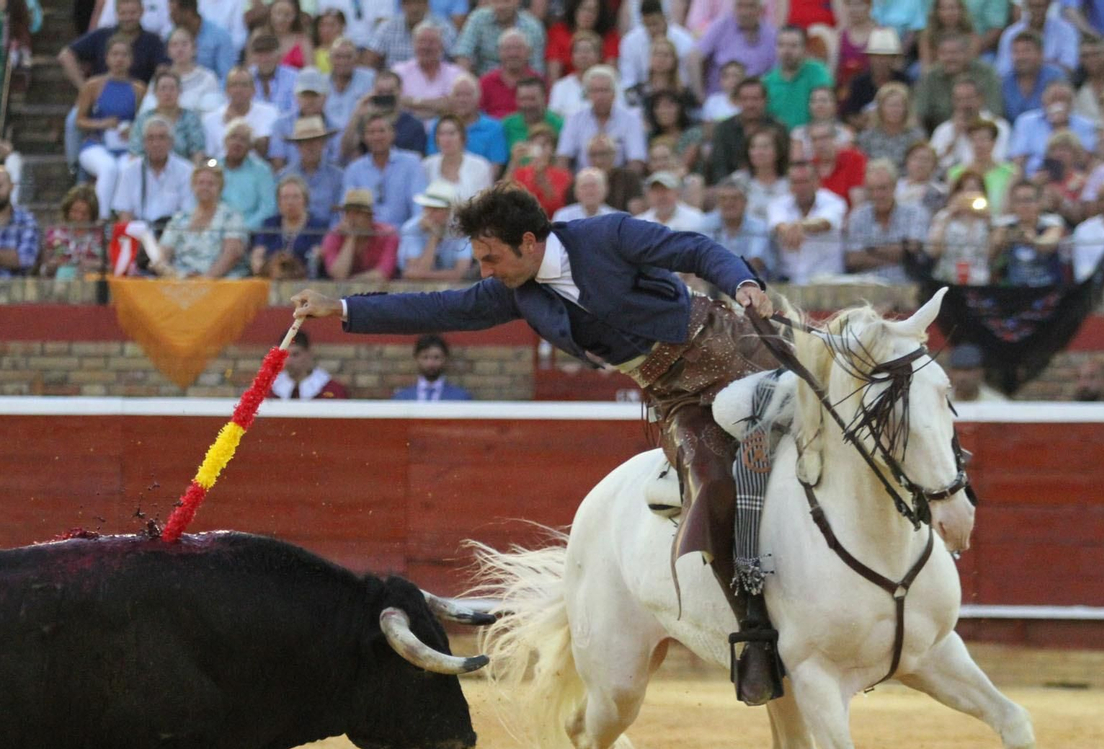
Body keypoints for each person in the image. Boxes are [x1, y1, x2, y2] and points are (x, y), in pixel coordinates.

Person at [289, 184, 787, 705]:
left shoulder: (607, 235)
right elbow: (438, 307)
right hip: (677, 395)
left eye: (490, 257)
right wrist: (339, 307)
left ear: (528, 242)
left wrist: (744, 284)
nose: (485, 270)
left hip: (733, 345)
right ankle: (753, 630)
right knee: (710, 482)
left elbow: (695, 249)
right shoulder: (515, 291)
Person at [60, 0, 168, 168]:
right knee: (73, 119)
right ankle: (74, 166)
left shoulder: (153, 41)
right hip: (100, 97)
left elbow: (164, 69)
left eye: (132, 13)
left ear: (141, 12)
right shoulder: (102, 35)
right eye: (123, 13)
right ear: (116, 13)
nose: (128, 17)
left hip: (136, 100)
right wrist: (85, 89)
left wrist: (152, 94)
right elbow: (65, 55)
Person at [77, 38, 148, 216]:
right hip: (96, 144)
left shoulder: (139, 89)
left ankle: (125, 218)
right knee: (108, 168)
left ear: (131, 60)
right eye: (115, 54)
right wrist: (102, 123)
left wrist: (133, 130)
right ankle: (101, 218)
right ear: (107, 58)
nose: (119, 59)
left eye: (124, 55)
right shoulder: (93, 85)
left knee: (128, 169)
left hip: (125, 147)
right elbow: (79, 120)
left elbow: (144, 121)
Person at [154, 161, 249, 277]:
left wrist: (204, 280)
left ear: (220, 187)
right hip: (181, 280)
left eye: (211, 184)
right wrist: (172, 273)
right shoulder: (180, 218)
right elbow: (164, 252)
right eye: (200, 183)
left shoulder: (231, 216)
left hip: (220, 281)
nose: (205, 187)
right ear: (193, 186)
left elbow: (233, 253)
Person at [843, 159, 927, 283]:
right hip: (868, 286)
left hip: (905, 286)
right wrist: (900, 255)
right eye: (871, 189)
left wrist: (870, 249)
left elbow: (912, 249)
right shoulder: (858, 216)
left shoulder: (914, 212)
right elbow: (853, 259)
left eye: (883, 188)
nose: (877, 195)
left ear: (894, 186)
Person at [767, 160, 848, 282]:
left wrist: (800, 226)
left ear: (817, 182)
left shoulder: (834, 202)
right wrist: (790, 230)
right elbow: (778, 225)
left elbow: (825, 223)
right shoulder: (778, 204)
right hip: (790, 281)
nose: (801, 187)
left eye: (805, 181)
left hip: (828, 280)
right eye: (796, 182)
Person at [343, 113, 427, 228]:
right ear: (364, 137)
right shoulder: (354, 170)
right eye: (371, 132)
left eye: (382, 131)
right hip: (366, 234)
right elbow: (347, 208)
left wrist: (408, 231)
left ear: (393, 134)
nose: (377, 137)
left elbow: (419, 205)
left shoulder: (411, 163)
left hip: (404, 233)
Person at [556, 65, 647, 171]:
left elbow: (636, 160)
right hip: (583, 177)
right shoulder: (574, 119)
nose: (600, 96)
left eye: (604, 90)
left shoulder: (631, 120)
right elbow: (563, 157)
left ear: (614, 93)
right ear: (587, 94)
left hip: (619, 177)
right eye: (595, 91)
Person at [113, 117, 196, 223]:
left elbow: (188, 213)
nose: (156, 143)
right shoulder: (130, 171)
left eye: (162, 138)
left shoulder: (186, 171)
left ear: (171, 142)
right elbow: (124, 212)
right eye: (150, 138)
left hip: (173, 229)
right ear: (144, 143)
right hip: (139, 229)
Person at [915, 34, 1002, 135]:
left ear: (967, 53)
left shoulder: (985, 73)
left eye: (955, 53)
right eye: (944, 53)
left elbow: (995, 109)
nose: (949, 58)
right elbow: (919, 114)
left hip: (982, 130)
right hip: (942, 133)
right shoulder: (930, 77)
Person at [703, 76, 784, 184]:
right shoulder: (724, 129)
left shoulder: (777, 128)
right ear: (737, 101)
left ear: (765, 100)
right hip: (731, 186)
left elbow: (784, 164)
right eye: (745, 99)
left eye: (755, 99)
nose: (750, 104)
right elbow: (719, 167)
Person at [1010, 81, 1097, 177]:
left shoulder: (1084, 124)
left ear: (1071, 103)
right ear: (1043, 101)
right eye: (1053, 99)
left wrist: (1061, 126)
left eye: (1063, 99)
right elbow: (1018, 158)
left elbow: (1086, 160)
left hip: (1072, 177)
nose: (1058, 104)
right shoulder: (1026, 121)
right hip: (1035, 176)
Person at [990, 178, 1066, 284]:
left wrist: (1032, 240)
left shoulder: (1052, 222)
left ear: (1039, 202)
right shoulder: (1005, 224)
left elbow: (1050, 242)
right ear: (1012, 204)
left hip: (1048, 286)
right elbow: (990, 253)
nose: (1024, 206)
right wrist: (1002, 239)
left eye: (1028, 200)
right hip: (1014, 288)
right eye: (1018, 201)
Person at [251, 173, 328, 278]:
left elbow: (317, 258)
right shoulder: (269, 224)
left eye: (296, 197)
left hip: (304, 280)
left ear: (305, 200)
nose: (290, 202)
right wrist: (261, 269)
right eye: (285, 197)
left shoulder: (319, 226)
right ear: (278, 202)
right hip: (271, 278)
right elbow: (257, 255)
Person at [925, 171, 996, 284]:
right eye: (966, 190)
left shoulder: (988, 220)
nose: (970, 195)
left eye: (975, 190)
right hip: (947, 278)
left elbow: (993, 254)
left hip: (979, 280)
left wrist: (989, 222)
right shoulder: (944, 216)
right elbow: (933, 251)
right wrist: (949, 214)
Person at [695, 0, 778, 95]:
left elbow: (777, 71)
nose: (744, 12)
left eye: (751, 6)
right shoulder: (722, 26)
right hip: (719, 95)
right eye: (740, 6)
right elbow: (694, 57)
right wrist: (699, 96)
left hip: (754, 98)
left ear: (761, 10)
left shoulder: (771, 35)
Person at [930, 76, 1013, 172]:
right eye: (959, 99)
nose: (964, 104)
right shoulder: (943, 130)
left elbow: (999, 160)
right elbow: (934, 166)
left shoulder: (999, 126)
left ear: (981, 98)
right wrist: (955, 136)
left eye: (969, 98)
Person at [130, 69, 207, 166]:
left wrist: (193, 171)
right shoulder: (143, 119)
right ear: (155, 92)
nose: (167, 93)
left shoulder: (191, 118)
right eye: (163, 88)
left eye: (172, 88)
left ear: (180, 91)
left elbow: (198, 151)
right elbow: (135, 152)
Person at [398, 179, 471, 280]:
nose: (428, 213)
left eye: (436, 209)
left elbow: (460, 273)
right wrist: (434, 237)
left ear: (450, 211)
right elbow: (415, 276)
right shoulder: (411, 229)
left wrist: (422, 275)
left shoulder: (461, 230)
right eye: (426, 207)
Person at [322, 186, 399, 281]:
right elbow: (338, 275)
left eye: (357, 213)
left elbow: (383, 273)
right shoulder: (334, 235)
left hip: (379, 289)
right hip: (343, 289)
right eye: (348, 213)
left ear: (369, 217)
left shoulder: (388, 235)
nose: (351, 218)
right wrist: (351, 238)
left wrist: (353, 282)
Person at [394, 21, 466, 121]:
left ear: (441, 46)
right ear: (413, 45)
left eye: (432, 42)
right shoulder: (399, 72)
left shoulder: (456, 74)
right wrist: (438, 106)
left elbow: (454, 105)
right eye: (421, 42)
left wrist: (412, 103)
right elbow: (394, 102)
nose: (426, 47)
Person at [619, 0, 696, 93]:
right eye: (647, 25)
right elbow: (628, 81)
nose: (652, 29)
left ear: (664, 18)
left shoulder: (685, 40)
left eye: (655, 23)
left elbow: (686, 80)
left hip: (677, 93)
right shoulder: (630, 41)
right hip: (642, 94)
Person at [453, 0, 547, 77]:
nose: (501, 6)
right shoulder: (478, 19)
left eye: (506, 1)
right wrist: (466, 82)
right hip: (483, 84)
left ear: (518, 1)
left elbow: (536, 68)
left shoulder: (532, 27)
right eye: (496, 1)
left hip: (521, 85)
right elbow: (463, 54)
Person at [762, 26, 832, 129]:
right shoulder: (767, 82)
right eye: (781, 45)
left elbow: (826, 108)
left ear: (804, 49)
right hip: (780, 137)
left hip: (813, 134)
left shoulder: (817, 72)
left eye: (793, 46)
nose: (787, 51)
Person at [278, 114, 344, 223]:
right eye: (305, 142)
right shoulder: (284, 177)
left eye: (315, 141)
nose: (310, 147)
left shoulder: (338, 177)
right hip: (295, 231)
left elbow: (339, 214)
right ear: (298, 146)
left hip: (328, 231)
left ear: (324, 143)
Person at [701, 177, 771, 276]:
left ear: (745, 202)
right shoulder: (705, 224)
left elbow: (755, 262)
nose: (728, 203)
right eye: (723, 199)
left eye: (734, 198)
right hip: (713, 281)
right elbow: (704, 259)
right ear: (717, 203)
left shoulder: (759, 227)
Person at [204, 67, 279, 158]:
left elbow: (267, 149)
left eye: (244, 85)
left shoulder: (269, 113)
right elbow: (209, 157)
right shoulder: (210, 120)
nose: (238, 90)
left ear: (254, 90)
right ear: (226, 90)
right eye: (234, 85)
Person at [216, 120, 277, 232]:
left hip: (252, 232)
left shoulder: (262, 170)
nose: (237, 143)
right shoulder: (214, 168)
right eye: (233, 137)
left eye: (243, 139)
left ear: (250, 147)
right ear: (225, 141)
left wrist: (242, 230)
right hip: (216, 230)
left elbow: (268, 208)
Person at [267, 67, 332, 170]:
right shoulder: (281, 125)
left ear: (325, 97)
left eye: (314, 96)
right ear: (296, 97)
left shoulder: (334, 126)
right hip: (290, 178)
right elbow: (278, 164)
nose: (309, 101)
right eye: (305, 95)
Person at [948, 118, 1017, 213]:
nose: (979, 145)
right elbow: (952, 205)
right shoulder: (956, 173)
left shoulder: (1010, 173)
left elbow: (1009, 208)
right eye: (974, 140)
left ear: (994, 142)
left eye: (983, 139)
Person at [997, 0, 1080, 77]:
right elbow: (1004, 69)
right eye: (1032, 6)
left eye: (1040, 6)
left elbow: (1069, 65)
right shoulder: (1011, 33)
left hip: (1055, 81)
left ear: (1048, 5)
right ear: (1026, 6)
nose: (1037, 11)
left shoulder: (1066, 30)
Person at [366, 0, 458, 69]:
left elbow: (457, 61)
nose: (414, 8)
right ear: (402, 5)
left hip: (435, 83)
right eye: (409, 3)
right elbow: (369, 62)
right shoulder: (388, 27)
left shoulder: (443, 28)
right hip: (397, 84)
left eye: (419, 3)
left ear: (427, 5)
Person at [424, 113, 494, 201]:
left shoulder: (480, 166)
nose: (446, 139)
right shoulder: (427, 165)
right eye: (441, 134)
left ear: (462, 137)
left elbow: (484, 202)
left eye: (451, 133)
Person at [1001, 31, 1068, 124]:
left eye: (1026, 51)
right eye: (1016, 52)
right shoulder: (1005, 81)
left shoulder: (1055, 77)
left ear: (1041, 53)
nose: (1021, 57)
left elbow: (1062, 111)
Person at [546, 0, 618, 84]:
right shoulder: (558, 32)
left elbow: (610, 73)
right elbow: (554, 73)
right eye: (583, 9)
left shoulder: (610, 36)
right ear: (574, 9)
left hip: (599, 86)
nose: (587, 14)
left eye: (593, 11)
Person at [842, 27, 906, 121]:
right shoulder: (859, 83)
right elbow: (850, 115)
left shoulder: (904, 81)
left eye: (886, 57)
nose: (881, 61)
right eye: (877, 56)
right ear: (870, 58)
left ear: (894, 58)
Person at [43, 185, 107, 277]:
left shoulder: (102, 236)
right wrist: (55, 263)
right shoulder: (54, 234)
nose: (79, 217)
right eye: (75, 211)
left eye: (84, 213)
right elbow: (45, 265)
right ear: (67, 210)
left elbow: (109, 264)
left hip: (92, 281)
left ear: (92, 215)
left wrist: (93, 264)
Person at [511, 122, 574, 215]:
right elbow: (505, 195)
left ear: (553, 149)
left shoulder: (564, 175)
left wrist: (542, 179)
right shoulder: (520, 172)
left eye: (544, 145)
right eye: (535, 144)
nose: (539, 150)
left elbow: (558, 206)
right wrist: (513, 163)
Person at [856, 83, 921, 170]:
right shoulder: (866, 137)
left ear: (906, 109)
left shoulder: (916, 137)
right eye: (890, 105)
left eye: (899, 105)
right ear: (880, 108)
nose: (895, 110)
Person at [480, 30, 543, 119]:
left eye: (518, 48)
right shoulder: (486, 82)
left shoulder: (539, 81)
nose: (513, 53)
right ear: (499, 52)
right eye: (507, 49)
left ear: (529, 52)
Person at [169, 0, 235, 84]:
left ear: (188, 12)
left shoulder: (220, 36)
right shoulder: (172, 36)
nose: (171, 18)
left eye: (174, 14)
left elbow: (226, 77)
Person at [733, 126, 789, 221]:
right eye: (753, 147)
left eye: (765, 147)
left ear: (778, 151)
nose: (758, 152)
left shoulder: (790, 182)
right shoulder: (738, 181)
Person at [272, 330, 348, 399]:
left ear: (308, 353)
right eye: (285, 355)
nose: (289, 361)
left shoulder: (330, 389)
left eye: (295, 355)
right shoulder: (272, 389)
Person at [393, 334, 473, 399]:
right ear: (416, 359)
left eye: (436, 358)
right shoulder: (402, 397)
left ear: (445, 359)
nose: (431, 363)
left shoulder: (461, 397)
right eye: (425, 357)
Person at [165, 26, 222, 113]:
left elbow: (212, 112)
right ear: (168, 51)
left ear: (194, 49)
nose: (179, 49)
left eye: (184, 44)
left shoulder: (208, 78)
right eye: (174, 45)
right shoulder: (161, 78)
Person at [809, 121, 867, 204]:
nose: (819, 144)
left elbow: (858, 202)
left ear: (834, 138)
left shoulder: (854, 159)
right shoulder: (810, 166)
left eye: (824, 138)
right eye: (814, 139)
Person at [550, 30, 603, 118]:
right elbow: (554, 117)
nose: (583, 56)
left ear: (598, 55)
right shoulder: (561, 86)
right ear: (572, 56)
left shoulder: (611, 84)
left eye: (588, 51)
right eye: (578, 51)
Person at [503, 78, 561, 152]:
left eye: (532, 99)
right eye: (523, 99)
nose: (527, 104)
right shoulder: (507, 125)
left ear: (544, 98)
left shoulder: (559, 126)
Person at [636, 171, 706, 232]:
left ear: (677, 192)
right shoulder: (640, 223)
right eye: (656, 191)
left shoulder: (696, 218)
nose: (661, 196)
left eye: (665, 190)